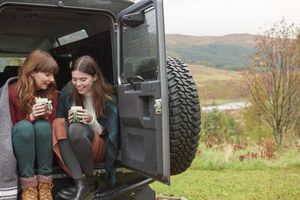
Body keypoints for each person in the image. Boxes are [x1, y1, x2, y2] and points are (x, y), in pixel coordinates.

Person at [52, 55, 118, 200]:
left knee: (76, 128)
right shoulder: (68, 91)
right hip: (72, 148)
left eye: (83, 79)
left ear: (94, 77)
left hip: (97, 147)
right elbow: (59, 123)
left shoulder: (107, 97)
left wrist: (91, 121)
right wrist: (67, 121)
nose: (78, 84)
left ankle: (90, 181)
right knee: (59, 123)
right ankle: (80, 184)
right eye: (74, 79)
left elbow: (110, 134)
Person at [8, 50, 59, 200]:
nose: (52, 79)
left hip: (45, 150)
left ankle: (44, 185)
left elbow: (53, 127)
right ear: (32, 72)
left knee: (43, 126)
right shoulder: (12, 92)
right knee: (25, 127)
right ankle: (29, 186)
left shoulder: (52, 92)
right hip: (21, 149)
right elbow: (9, 128)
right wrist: (31, 116)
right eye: (47, 75)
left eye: (53, 75)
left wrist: (47, 117)